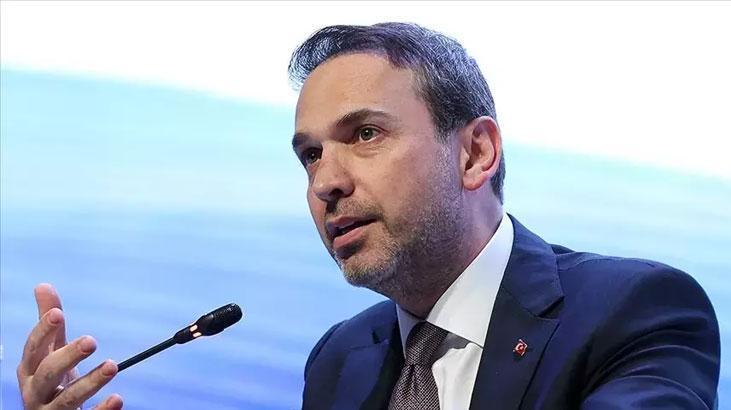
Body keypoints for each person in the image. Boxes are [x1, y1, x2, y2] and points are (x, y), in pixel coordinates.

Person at [17, 22, 720, 410]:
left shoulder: (634, 311)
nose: (325, 181)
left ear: (475, 153)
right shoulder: (339, 361)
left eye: (365, 135)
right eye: (309, 156)